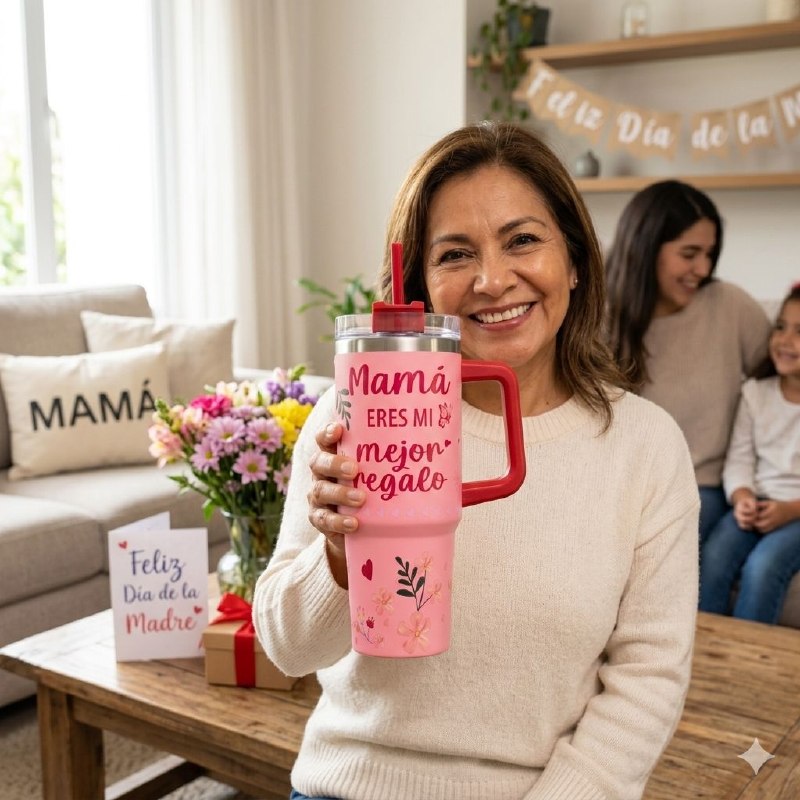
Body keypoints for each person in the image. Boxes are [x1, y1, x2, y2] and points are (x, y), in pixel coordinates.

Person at [253, 122, 699, 800]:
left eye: (523, 241)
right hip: (347, 787)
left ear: (575, 261)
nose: (492, 280)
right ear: (421, 288)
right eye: (455, 254)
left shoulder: (645, 446)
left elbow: (649, 678)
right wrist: (338, 555)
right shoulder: (356, 411)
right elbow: (288, 649)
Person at [605, 180, 772, 545]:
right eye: (689, 253)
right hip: (622, 487)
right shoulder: (599, 315)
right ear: (646, 249)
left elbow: (784, 388)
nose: (703, 268)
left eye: (709, 254)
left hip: (704, 487)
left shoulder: (730, 306)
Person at [699, 284, 800, 623]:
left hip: (797, 512)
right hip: (757, 503)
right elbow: (739, 460)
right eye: (781, 327)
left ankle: (749, 653)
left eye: (799, 332)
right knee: (714, 558)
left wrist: (788, 510)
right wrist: (742, 498)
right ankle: (702, 649)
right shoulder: (755, 394)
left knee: (763, 567)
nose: (785, 340)